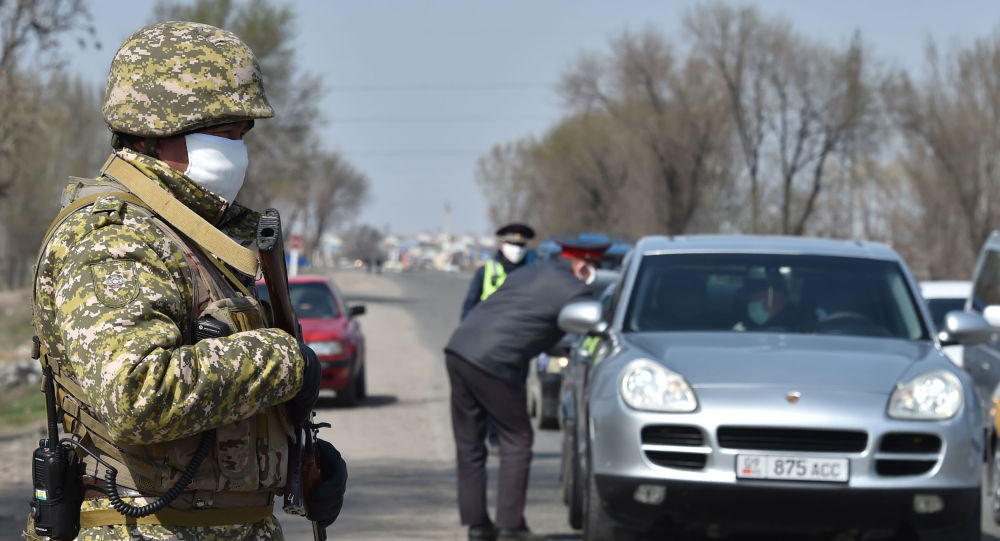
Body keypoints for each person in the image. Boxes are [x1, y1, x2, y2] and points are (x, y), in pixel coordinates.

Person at [27, 22, 345, 540]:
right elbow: (135, 395)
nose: (238, 151)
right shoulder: (116, 238)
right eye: (224, 134)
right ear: (152, 131)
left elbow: (218, 410)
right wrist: (282, 361)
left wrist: (294, 461)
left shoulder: (200, 236)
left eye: (243, 135)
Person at [445, 240, 609, 541]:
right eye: (594, 268)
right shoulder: (573, 290)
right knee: (517, 439)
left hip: (458, 350)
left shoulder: (533, 270)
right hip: (494, 362)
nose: (592, 275)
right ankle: (510, 525)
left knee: (470, 443)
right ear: (584, 265)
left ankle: (478, 526)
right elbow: (591, 325)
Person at [461, 223, 536, 320]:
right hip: (488, 326)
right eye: (512, 244)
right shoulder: (485, 271)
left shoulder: (532, 272)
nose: (517, 249)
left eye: (520, 245)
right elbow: (470, 305)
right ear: (502, 245)